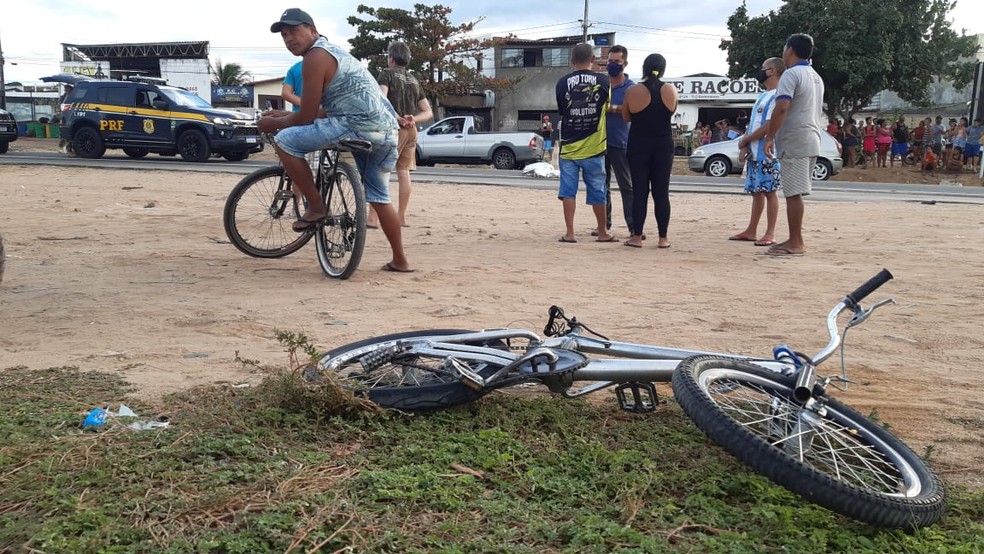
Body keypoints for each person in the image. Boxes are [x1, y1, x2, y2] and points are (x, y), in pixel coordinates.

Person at [258, 8, 411, 273]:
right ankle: (400, 260)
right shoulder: (336, 54)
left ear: (313, 30)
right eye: (284, 35)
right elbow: (325, 111)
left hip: (355, 127)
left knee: (284, 140)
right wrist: (284, 114)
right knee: (379, 197)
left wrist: (274, 123)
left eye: (294, 31)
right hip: (386, 131)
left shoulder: (314, 57)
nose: (289, 39)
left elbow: (305, 117)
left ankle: (317, 206)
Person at [763, 33, 824, 256]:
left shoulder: (791, 75)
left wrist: (770, 136)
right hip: (810, 137)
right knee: (795, 192)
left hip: (795, 139)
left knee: (793, 193)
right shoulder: (815, 75)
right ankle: (794, 239)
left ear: (790, 50)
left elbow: (781, 108)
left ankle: (796, 241)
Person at [365, 40, 433, 229]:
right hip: (412, 131)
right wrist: (412, 119)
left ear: (391, 58)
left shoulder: (386, 74)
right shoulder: (414, 80)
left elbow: (381, 100)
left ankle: (372, 218)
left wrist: (397, 118)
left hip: (393, 129)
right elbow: (428, 112)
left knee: (379, 170)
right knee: (403, 172)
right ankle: (401, 217)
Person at [554, 43, 616, 244]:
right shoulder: (604, 81)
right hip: (595, 147)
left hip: (569, 148)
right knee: (598, 191)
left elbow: (563, 111)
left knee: (568, 192)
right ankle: (602, 232)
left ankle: (570, 233)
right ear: (593, 60)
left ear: (572, 61)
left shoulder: (562, 83)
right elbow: (606, 108)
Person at [621, 53, 677, 249]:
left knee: (639, 192)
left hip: (638, 146)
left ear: (644, 68)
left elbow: (626, 116)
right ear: (662, 69)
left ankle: (636, 236)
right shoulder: (670, 90)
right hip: (663, 146)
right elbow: (672, 111)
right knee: (662, 193)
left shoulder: (633, 90)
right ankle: (663, 238)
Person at [731, 57, 785, 247]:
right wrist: (745, 144)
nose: (760, 72)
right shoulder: (763, 96)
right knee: (757, 192)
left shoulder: (778, 95)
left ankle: (770, 233)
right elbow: (754, 123)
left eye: (763, 68)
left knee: (770, 191)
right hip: (755, 152)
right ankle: (751, 230)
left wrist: (746, 139)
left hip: (768, 153)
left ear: (772, 71)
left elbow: (770, 125)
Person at [597, 44, 635, 236]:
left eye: (616, 62)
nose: (612, 65)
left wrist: (614, 108)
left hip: (621, 144)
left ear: (625, 63)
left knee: (627, 186)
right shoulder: (601, 85)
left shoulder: (632, 88)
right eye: (610, 61)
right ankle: (604, 226)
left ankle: (633, 227)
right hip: (600, 143)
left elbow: (635, 112)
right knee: (601, 186)